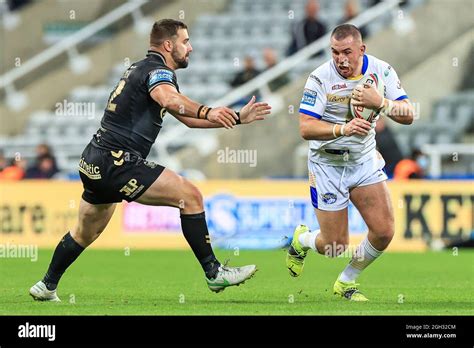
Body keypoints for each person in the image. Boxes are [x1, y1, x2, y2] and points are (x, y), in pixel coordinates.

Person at [29, 19, 271, 302]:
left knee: (85, 231)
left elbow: (187, 119)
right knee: (190, 197)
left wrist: (237, 118)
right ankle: (214, 272)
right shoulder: (157, 72)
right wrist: (208, 110)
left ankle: (46, 285)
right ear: (169, 45)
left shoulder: (140, 68)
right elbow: (168, 99)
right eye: (185, 42)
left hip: (94, 159)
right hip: (118, 160)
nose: (190, 48)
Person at [286, 24, 414, 301]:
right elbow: (305, 128)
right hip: (327, 165)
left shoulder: (382, 71)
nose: (341, 59)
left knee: (384, 230)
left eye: (347, 52)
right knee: (334, 245)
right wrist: (342, 129)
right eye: (335, 52)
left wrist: (381, 102)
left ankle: (346, 282)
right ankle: (303, 240)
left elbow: (408, 114)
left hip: (363, 160)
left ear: (361, 49)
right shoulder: (319, 78)